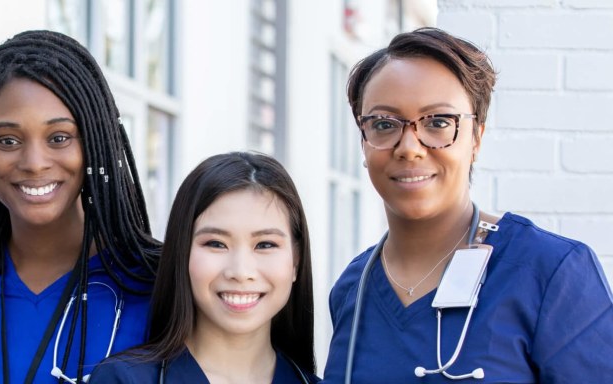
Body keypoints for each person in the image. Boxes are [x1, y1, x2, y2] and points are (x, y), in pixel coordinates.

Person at [323, 28, 613, 383]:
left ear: (476, 138)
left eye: (439, 122)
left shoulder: (550, 273)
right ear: (363, 142)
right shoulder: (353, 287)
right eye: (383, 123)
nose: (409, 146)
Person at [0, 30, 161, 384]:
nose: (34, 162)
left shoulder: (153, 281)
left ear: (96, 144)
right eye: (7, 140)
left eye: (59, 138)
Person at [92, 152, 319, 384]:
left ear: (296, 261)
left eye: (265, 245)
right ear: (182, 253)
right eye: (216, 244)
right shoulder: (123, 379)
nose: (240, 272)